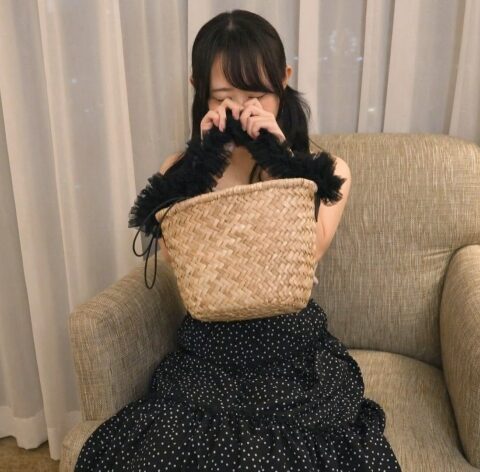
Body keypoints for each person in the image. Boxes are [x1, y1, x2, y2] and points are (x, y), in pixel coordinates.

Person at [74, 9, 402, 471]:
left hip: (290, 350)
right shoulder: (178, 171)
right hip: (209, 350)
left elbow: (309, 251)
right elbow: (179, 260)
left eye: (257, 95)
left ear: (284, 80)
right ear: (199, 90)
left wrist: (277, 160)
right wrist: (203, 165)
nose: (244, 110)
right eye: (225, 97)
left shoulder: (327, 171)